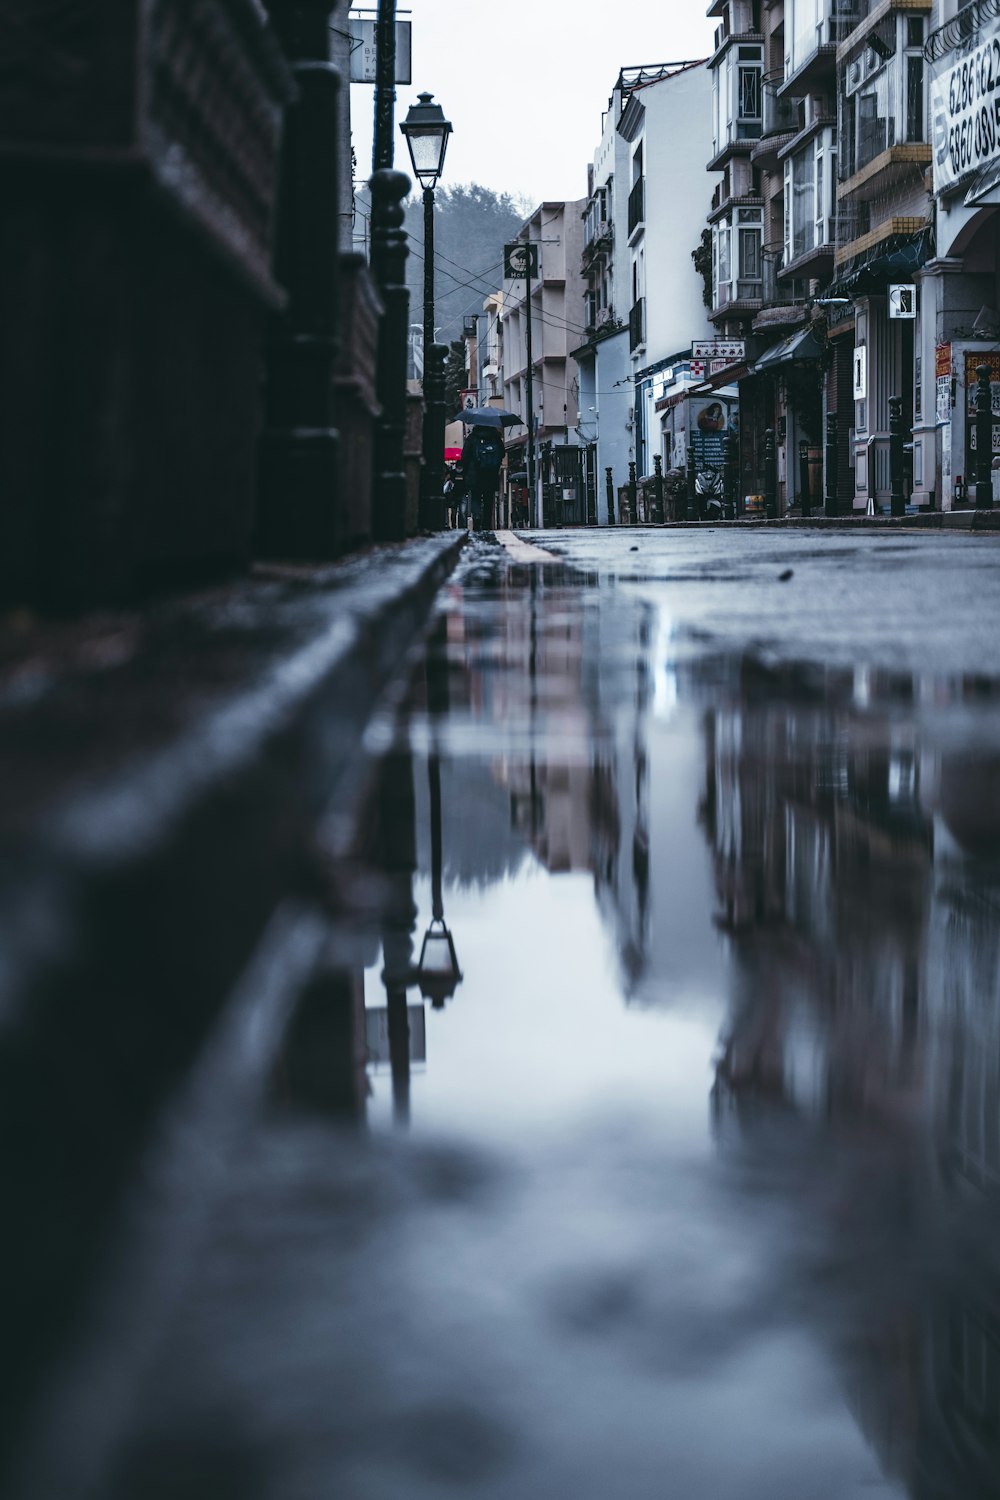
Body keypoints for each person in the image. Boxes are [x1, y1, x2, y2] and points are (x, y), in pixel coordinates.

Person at [461, 425, 505, 529]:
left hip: (474, 474)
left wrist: (466, 472)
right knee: (488, 499)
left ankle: (476, 516)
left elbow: (464, 456)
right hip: (491, 474)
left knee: (475, 497)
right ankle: (486, 523)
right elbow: (502, 453)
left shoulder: (472, 437)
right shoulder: (495, 437)